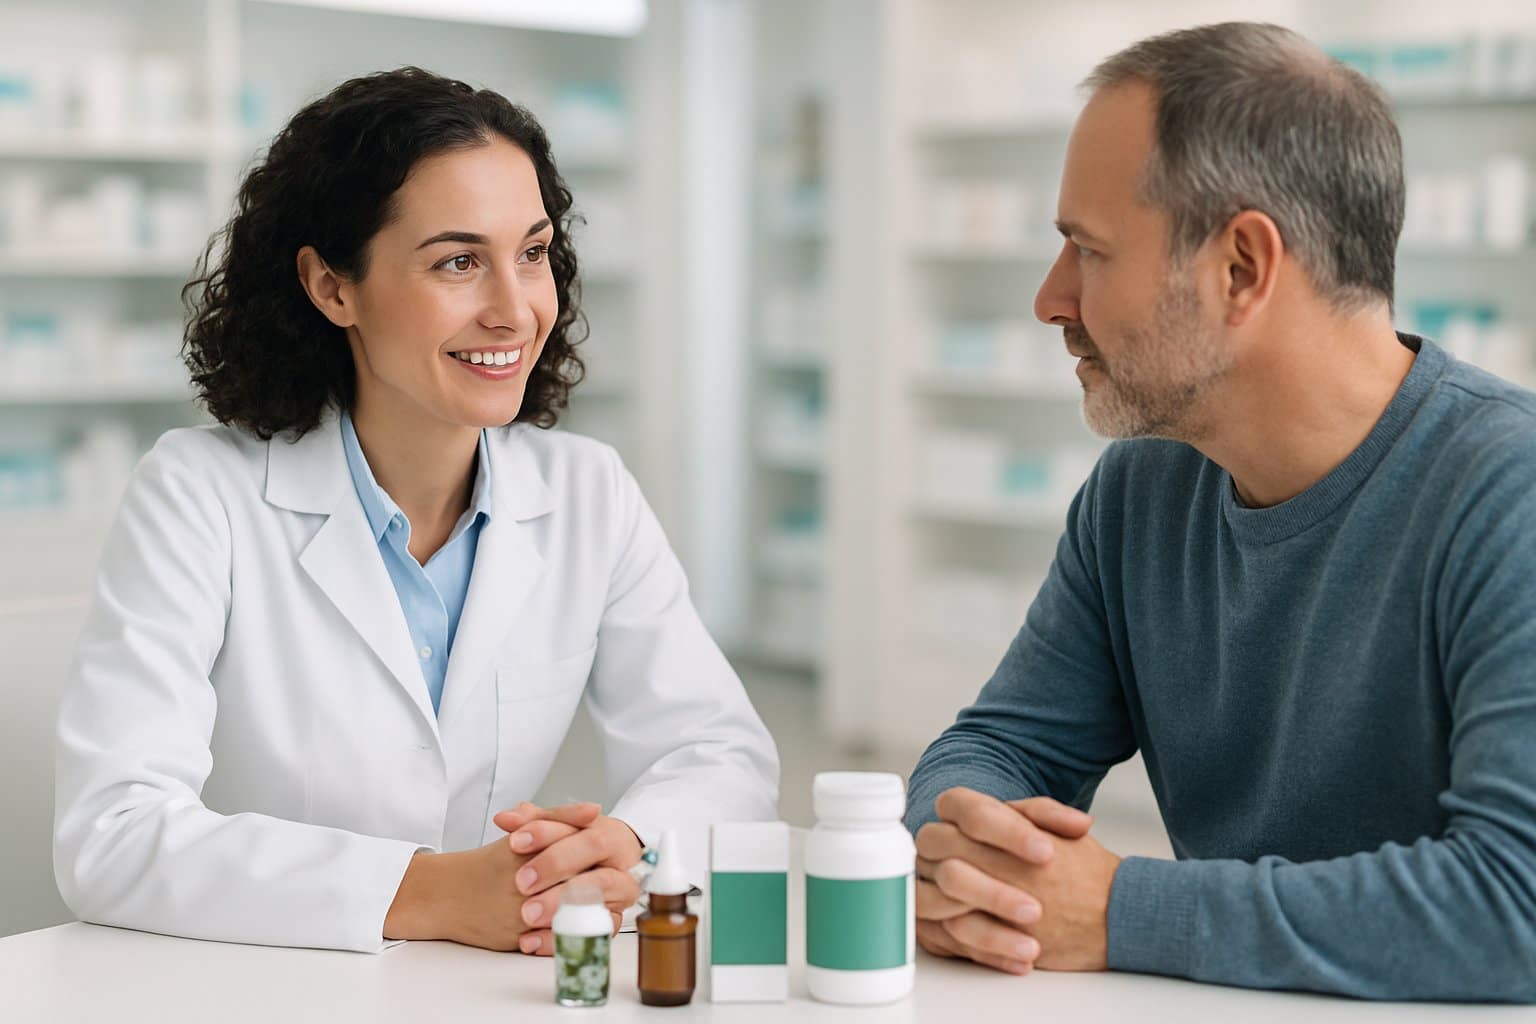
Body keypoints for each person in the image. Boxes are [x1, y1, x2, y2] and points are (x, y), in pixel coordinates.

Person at [52, 67, 779, 955]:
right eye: (458, 262)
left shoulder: (589, 493)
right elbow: (111, 834)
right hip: (258, 983)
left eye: (534, 252)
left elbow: (721, 754)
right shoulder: (200, 494)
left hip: (476, 987)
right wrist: (431, 892)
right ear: (332, 288)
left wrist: (620, 847)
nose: (516, 309)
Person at [905, 22, 1536, 1002]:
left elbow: (1516, 901)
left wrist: (1119, 909)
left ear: (1242, 267)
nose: (1048, 298)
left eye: (1087, 250)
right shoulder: (1141, 491)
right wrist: (972, 859)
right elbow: (1002, 745)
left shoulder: (1509, 492)